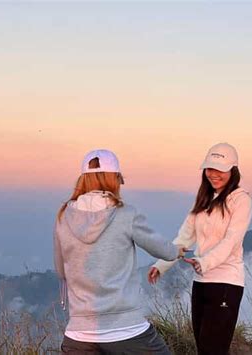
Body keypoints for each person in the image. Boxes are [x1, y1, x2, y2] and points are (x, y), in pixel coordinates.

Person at [54, 149, 186, 354]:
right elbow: (164, 251)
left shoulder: (64, 216)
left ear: (83, 180)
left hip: (78, 333)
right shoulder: (125, 214)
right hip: (126, 329)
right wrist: (176, 250)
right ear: (114, 179)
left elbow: (62, 271)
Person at [148, 142, 252, 355]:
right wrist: (161, 265)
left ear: (233, 170)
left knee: (213, 349)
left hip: (226, 283)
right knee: (203, 348)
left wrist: (205, 262)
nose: (213, 174)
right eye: (209, 168)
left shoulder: (241, 200)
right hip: (201, 283)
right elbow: (184, 238)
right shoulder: (204, 199)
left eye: (220, 169)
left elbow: (231, 240)